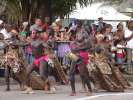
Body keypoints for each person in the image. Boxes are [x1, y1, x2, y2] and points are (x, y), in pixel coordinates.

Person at [69, 20, 92, 96]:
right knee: (71, 72)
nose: (75, 27)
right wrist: (72, 46)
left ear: (80, 26)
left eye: (77, 25)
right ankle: (73, 91)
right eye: (75, 25)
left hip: (82, 54)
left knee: (83, 74)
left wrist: (78, 48)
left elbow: (89, 45)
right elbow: (74, 43)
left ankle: (89, 89)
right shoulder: (75, 33)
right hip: (75, 54)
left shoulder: (84, 33)